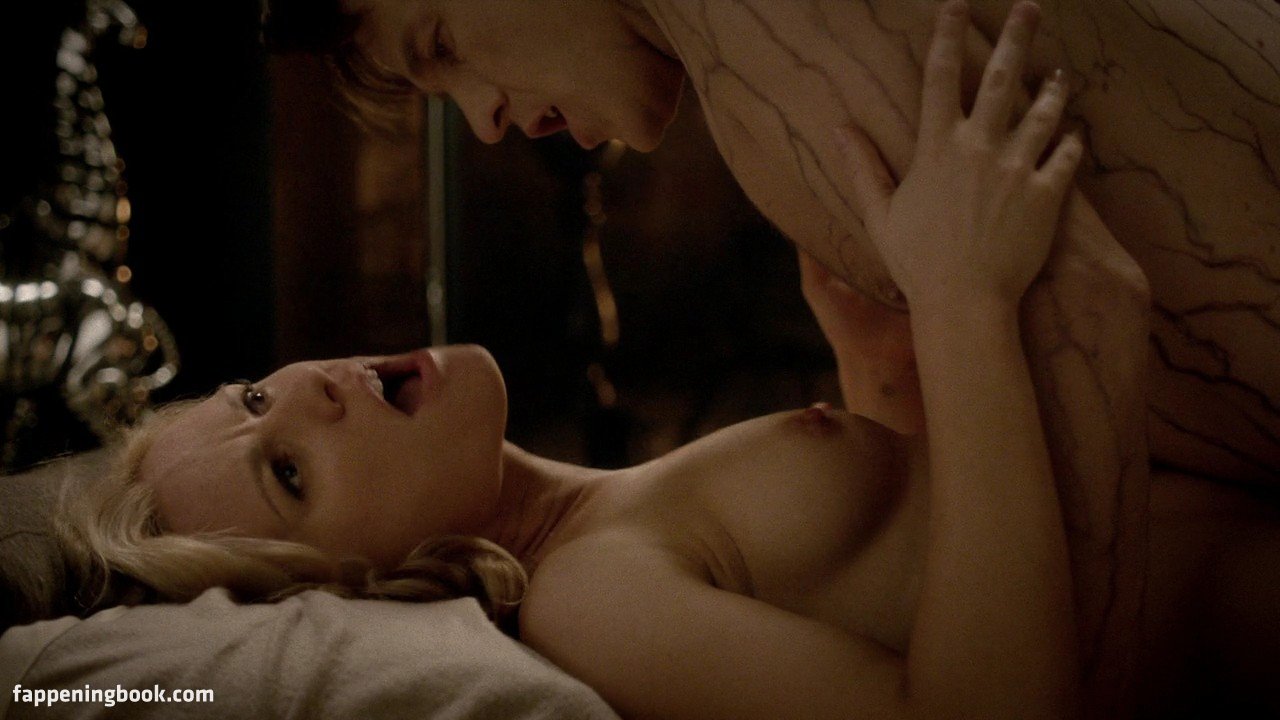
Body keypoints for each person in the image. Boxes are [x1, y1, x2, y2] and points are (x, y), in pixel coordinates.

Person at [45, 11, 1273, 718]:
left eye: (254, 395)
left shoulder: (613, 509)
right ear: (369, 587)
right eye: (289, 473)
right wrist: (963, 305)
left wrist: (882, 379)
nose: (307, 395)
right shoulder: (591, 597)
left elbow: (900, 564)